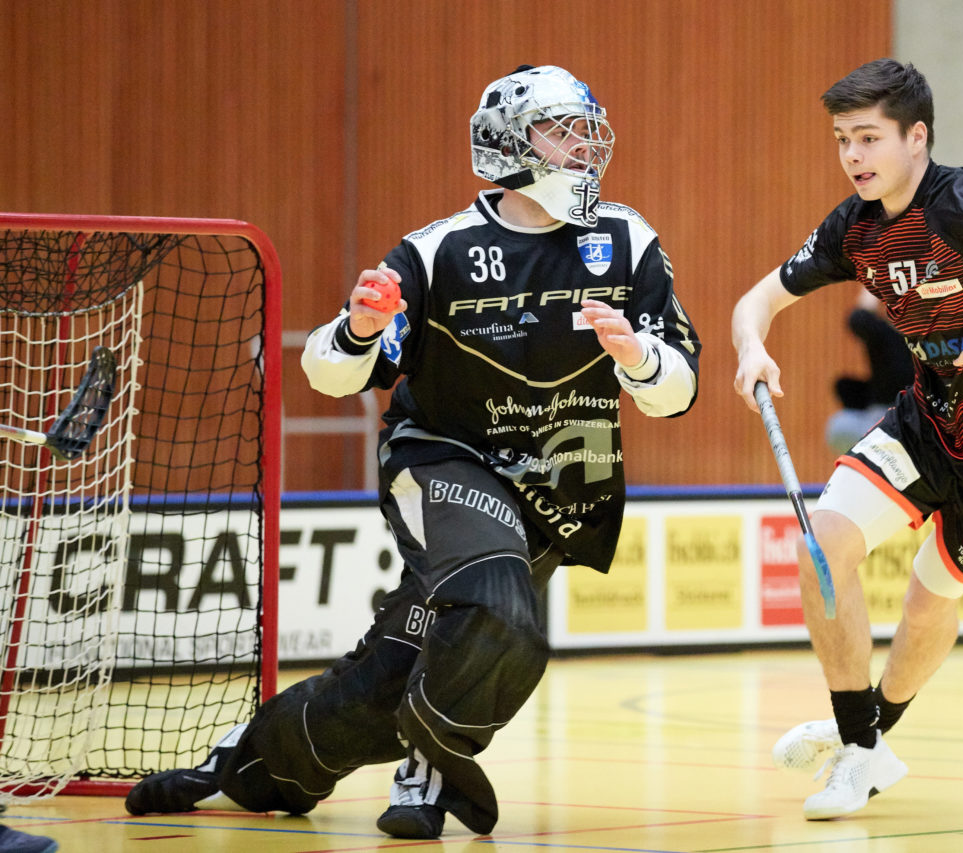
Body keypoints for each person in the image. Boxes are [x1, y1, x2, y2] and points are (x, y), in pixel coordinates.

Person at [124, 64, 700, 840]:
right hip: (443, 460)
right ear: (506, 144)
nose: (581, 146)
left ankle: (247, 765)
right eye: (559, 128)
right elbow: (330, 372)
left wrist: (635, 355)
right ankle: (431, 762)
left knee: (390, 672)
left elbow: (679, 388)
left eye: (584, 128)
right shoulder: (437, 252)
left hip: (561, 483)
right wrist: (361, 328)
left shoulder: (627, 240)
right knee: (499, 610)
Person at [731, 58, 963, 821]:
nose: (854, 156)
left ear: (916, 137)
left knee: (930, 605)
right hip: (927, 421)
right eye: (842, 140)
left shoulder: (961, 199)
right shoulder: (854, 229)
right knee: (820, 546)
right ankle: (858, 745)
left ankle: (865, 742)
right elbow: (757, 299)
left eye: (869, 138)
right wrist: (751, 348)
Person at [824, 287, 914, 456]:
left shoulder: (933, 337)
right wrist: (876, 280)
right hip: (882, 416)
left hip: (918, 419)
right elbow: (859, 318)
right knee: (839, 426)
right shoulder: (886, 335)